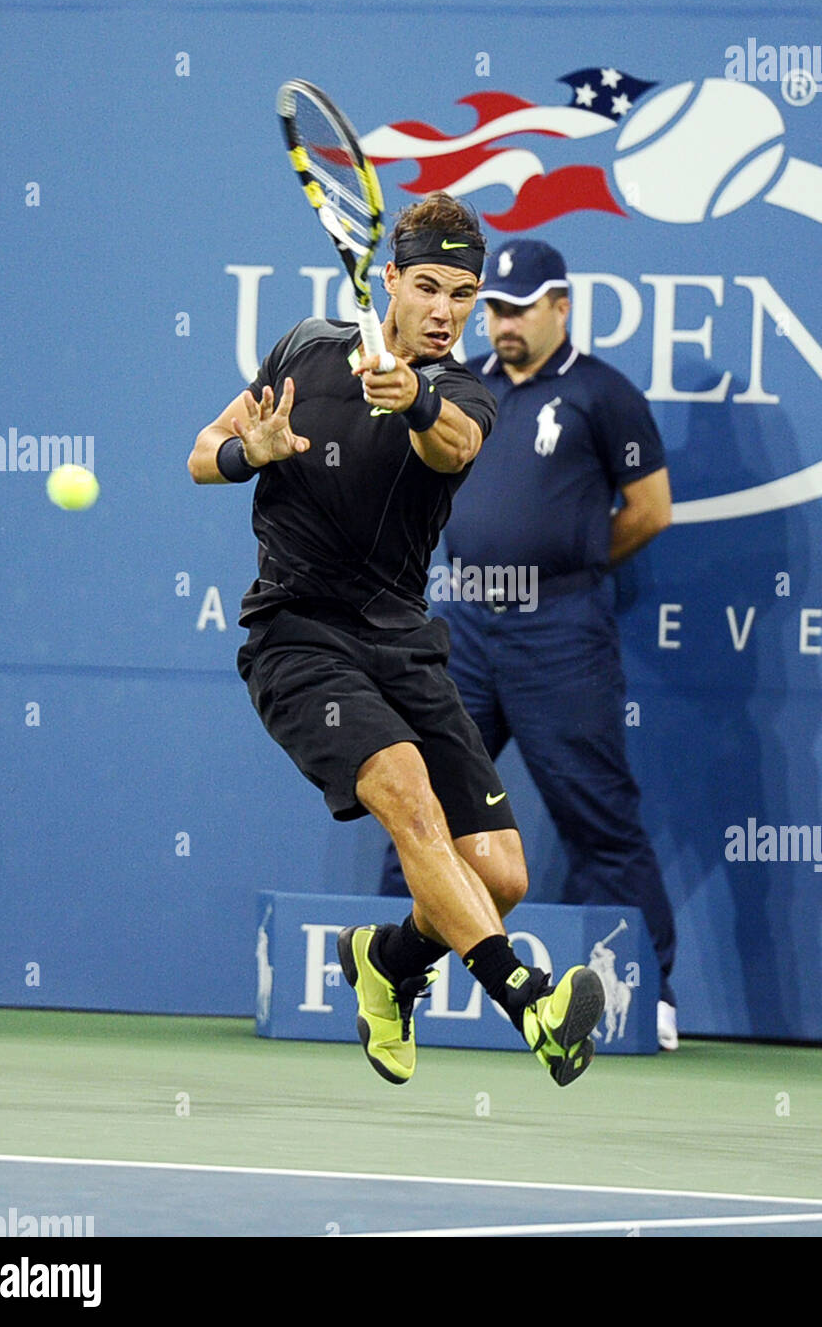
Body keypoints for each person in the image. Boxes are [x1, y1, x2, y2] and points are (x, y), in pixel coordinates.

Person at [188, 194, 604, 1088]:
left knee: (497, 876)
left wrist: (412, 395)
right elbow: (201, 449)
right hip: (297, 637)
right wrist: (246, 453)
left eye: (462, 293)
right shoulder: (304, 347)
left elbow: (451, 449)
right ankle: (527, 996)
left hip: (400, 643)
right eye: (427, 288)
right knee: (411, 802)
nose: (446, 310)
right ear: (388, 282)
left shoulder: (461, 389)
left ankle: (388, 959)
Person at [378, 237, 680, 1050]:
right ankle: (394, 986)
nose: (503, 323)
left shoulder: (602, 394)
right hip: (464, 630)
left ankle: (650, 992)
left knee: (598, 819)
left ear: (560, 307)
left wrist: (565, 567)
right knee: (419, 809)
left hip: (560, 632)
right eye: (497, 308)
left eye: (519, 308)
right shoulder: (462, 386)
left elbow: (650, 509)